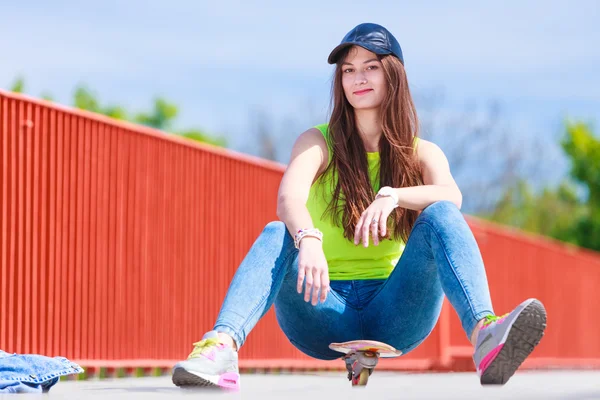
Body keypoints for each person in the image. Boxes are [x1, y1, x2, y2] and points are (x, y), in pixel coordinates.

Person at [171, 22, 547, 390]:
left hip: (396, 314)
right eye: (348, 70)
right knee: (277, 231)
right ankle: (221, 347)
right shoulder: (317, 142)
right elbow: (289, 197)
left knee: (441, 213)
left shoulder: (421, 153)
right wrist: (308, 238)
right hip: (322, 310)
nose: (357, 78)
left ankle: (485, 334)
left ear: (393, 76)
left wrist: (395, 195)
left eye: (371, 67)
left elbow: (452, 195)